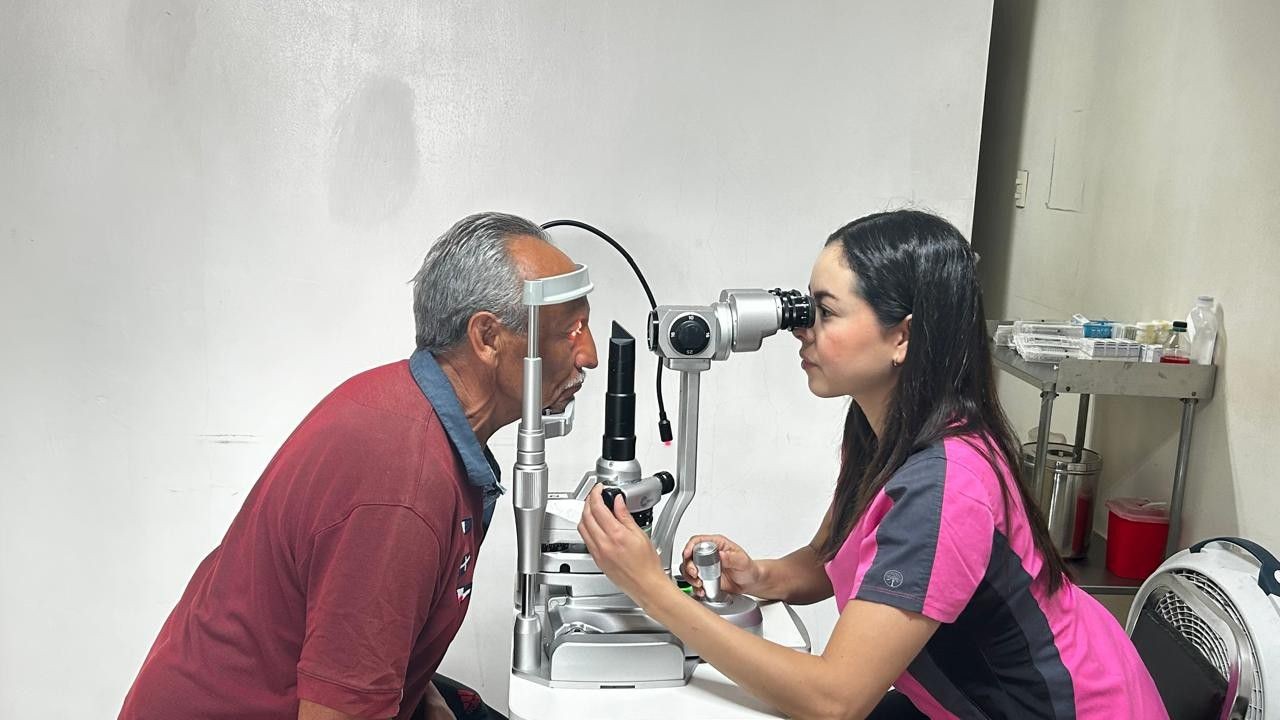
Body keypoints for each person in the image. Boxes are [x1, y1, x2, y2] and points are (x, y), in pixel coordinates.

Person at [578, 210, 1167, 719]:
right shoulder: (879, 431)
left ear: (902, 337)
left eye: (824, 312)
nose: (800, 329)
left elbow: (836, 700)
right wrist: (760, 576)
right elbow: (833, 556)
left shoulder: (945, 485)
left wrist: (652, 590)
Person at [120, 212, 599, 720]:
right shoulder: (403, 486)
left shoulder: (417, 417)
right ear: (487, 338)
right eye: (568, 331)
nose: (588, 356)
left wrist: (419, 693)